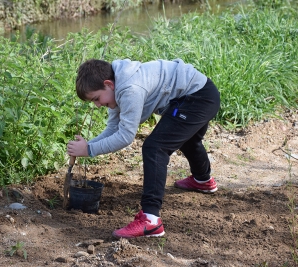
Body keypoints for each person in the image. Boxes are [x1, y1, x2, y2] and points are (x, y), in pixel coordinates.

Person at [67, 58, 220, 239]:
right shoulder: (117, 87)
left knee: (155, 148)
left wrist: (89, 150)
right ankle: (202, 180)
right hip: (195, 94)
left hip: (199, 98)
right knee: (187, 139)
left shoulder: (129, 89)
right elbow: (112, 129)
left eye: (96, 99)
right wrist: (87, 146)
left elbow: (125, 136)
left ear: (108, 84)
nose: (98, 105)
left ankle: (150, 220)